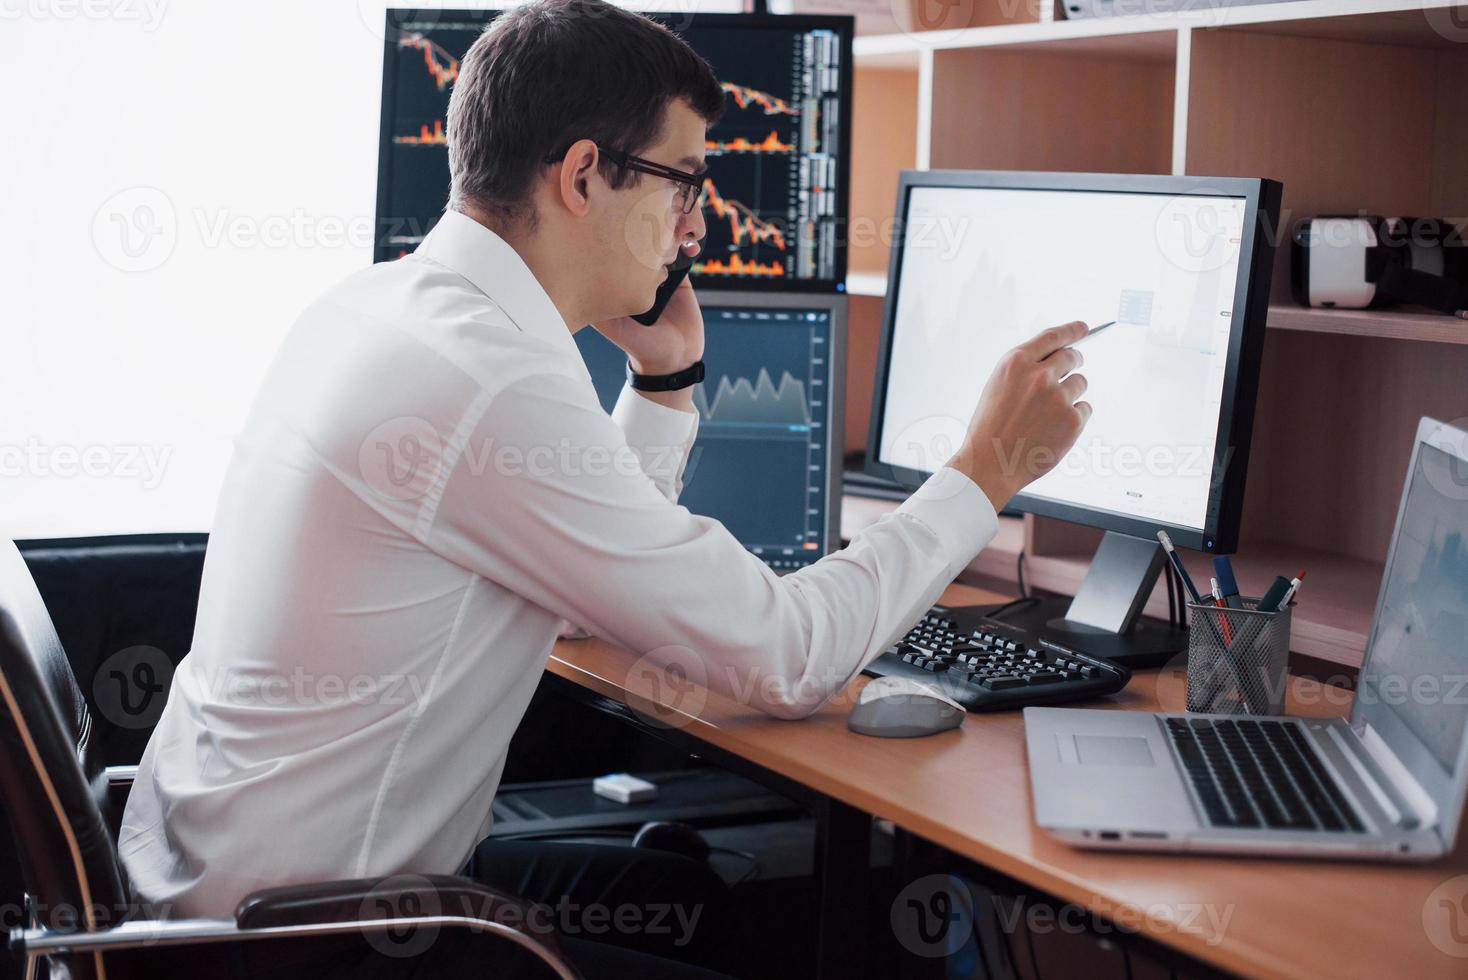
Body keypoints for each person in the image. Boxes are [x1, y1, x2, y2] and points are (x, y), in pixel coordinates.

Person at [117, 1, 1091, 976]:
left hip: (211, 895)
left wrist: (664, 382)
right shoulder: (486, 379)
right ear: (584, 175)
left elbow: (579, 602)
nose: (697, 223)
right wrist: (984, 472)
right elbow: (788, 657)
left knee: (681, 899)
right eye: (684, 182)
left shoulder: (379, 307)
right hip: (310, 945)